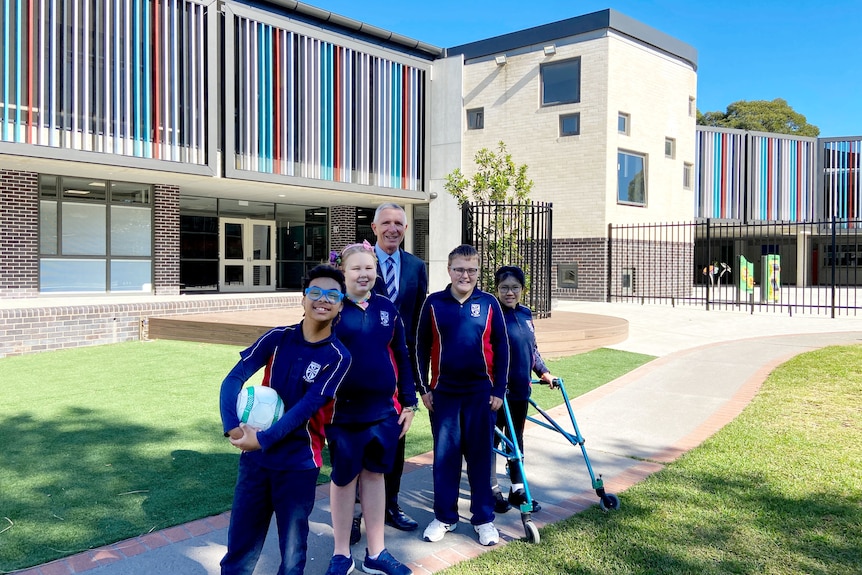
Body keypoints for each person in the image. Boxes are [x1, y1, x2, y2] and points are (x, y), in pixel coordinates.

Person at [219, 265, 352, 575]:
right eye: (315, 293)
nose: (323, 300)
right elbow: (233, 379)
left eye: (332, 295)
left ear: (341, 304)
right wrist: (232, 426)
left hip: (298, 464)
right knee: (240, 546)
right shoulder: (278, 338)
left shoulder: (338, 356)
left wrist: (261, 439)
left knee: (292, 553)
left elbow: (306, 408)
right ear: (303, 299)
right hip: (256, 462)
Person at [325, 242, 418, 575]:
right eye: (356, 268)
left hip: (382, 412)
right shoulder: (330, 308)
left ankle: (376, 553)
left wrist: (409, 401)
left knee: (375, 476)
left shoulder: (387, 308)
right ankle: (341, 554)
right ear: (343, 273)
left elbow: (402, 356)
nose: (364, 274)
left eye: (369, 268)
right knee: (344, 479)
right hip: (341, 413)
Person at [416, 244, 510, 547]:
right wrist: (424, 389)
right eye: (459, 269)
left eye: (471, 270)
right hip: (444, 394)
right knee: (445, 459)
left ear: (477, 272)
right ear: (449, 269)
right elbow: (419, 347)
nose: (465, 275)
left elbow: (502, 348)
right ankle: (444, 517)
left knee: (481, 459)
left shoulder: (489, 303)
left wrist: (499, 390)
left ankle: (484, 520)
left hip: (481, 395)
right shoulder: (434, 303)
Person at [351, 202, 429, 541]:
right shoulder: (358, 263)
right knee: (356, 438)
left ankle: (390, 506)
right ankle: (354, 514)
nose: (393, 228)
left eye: (399, 222)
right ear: (374, 227)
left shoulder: (417, 266)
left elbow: (418, 323)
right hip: (363, 363)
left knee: (397, 435)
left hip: (403, 365)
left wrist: (418, 374)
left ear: (406, 228)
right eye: (387, 222)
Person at [490, 265, 557, 514]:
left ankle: (517, 489)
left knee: (516, 440)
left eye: (515, 288)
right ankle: (492, 489)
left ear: (522, 290)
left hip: (520, 391)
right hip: (496, 393)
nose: (510, 292)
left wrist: (544, 372)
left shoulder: (527, 314)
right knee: (492, 440)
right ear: (496, 289)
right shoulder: (492, 314)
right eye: (504, 288)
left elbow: (533, 350)